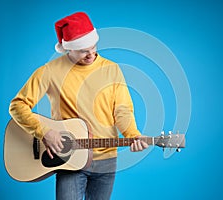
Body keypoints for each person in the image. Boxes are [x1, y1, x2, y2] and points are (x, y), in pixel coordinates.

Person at [9, 11, 148, 200]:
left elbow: (122, 110)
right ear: (68, 49)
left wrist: (133, 135)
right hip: (70, 159)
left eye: (94, 47)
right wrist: (44, 132)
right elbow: (18, 106)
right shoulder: (50, 72)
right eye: (83, 50)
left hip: (107, 161)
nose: (91, 54)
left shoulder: (112, 69)